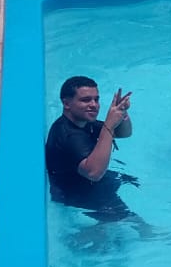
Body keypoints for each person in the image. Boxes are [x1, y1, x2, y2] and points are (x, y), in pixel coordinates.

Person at [44, 76, 139, 223]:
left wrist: (122, 113)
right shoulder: (69, 135)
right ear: (66, 103)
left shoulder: (84, 122)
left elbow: (124, 133)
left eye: (96, 99)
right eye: (86, 100)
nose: (94, 105)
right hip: (76, 193)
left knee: (132, 182)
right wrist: (108, 125)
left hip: (88, 182)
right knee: (132, 221)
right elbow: (94, 173)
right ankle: (87, 234)